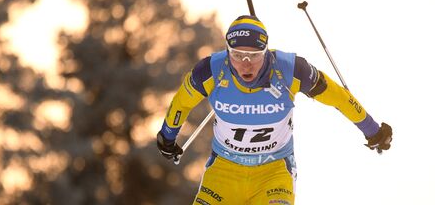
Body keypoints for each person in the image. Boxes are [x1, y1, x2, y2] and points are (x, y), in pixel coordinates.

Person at [156, 15, 392, 205]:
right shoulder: (210, 70)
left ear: (267, 51)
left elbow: (338, 97)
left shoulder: (291, 70)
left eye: (255, 56)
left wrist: (372, 130)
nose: (246, 64)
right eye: (237, 55)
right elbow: (182, 102)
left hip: (274, 172)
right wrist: (167, 136)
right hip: (224, 172)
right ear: (227, 52)